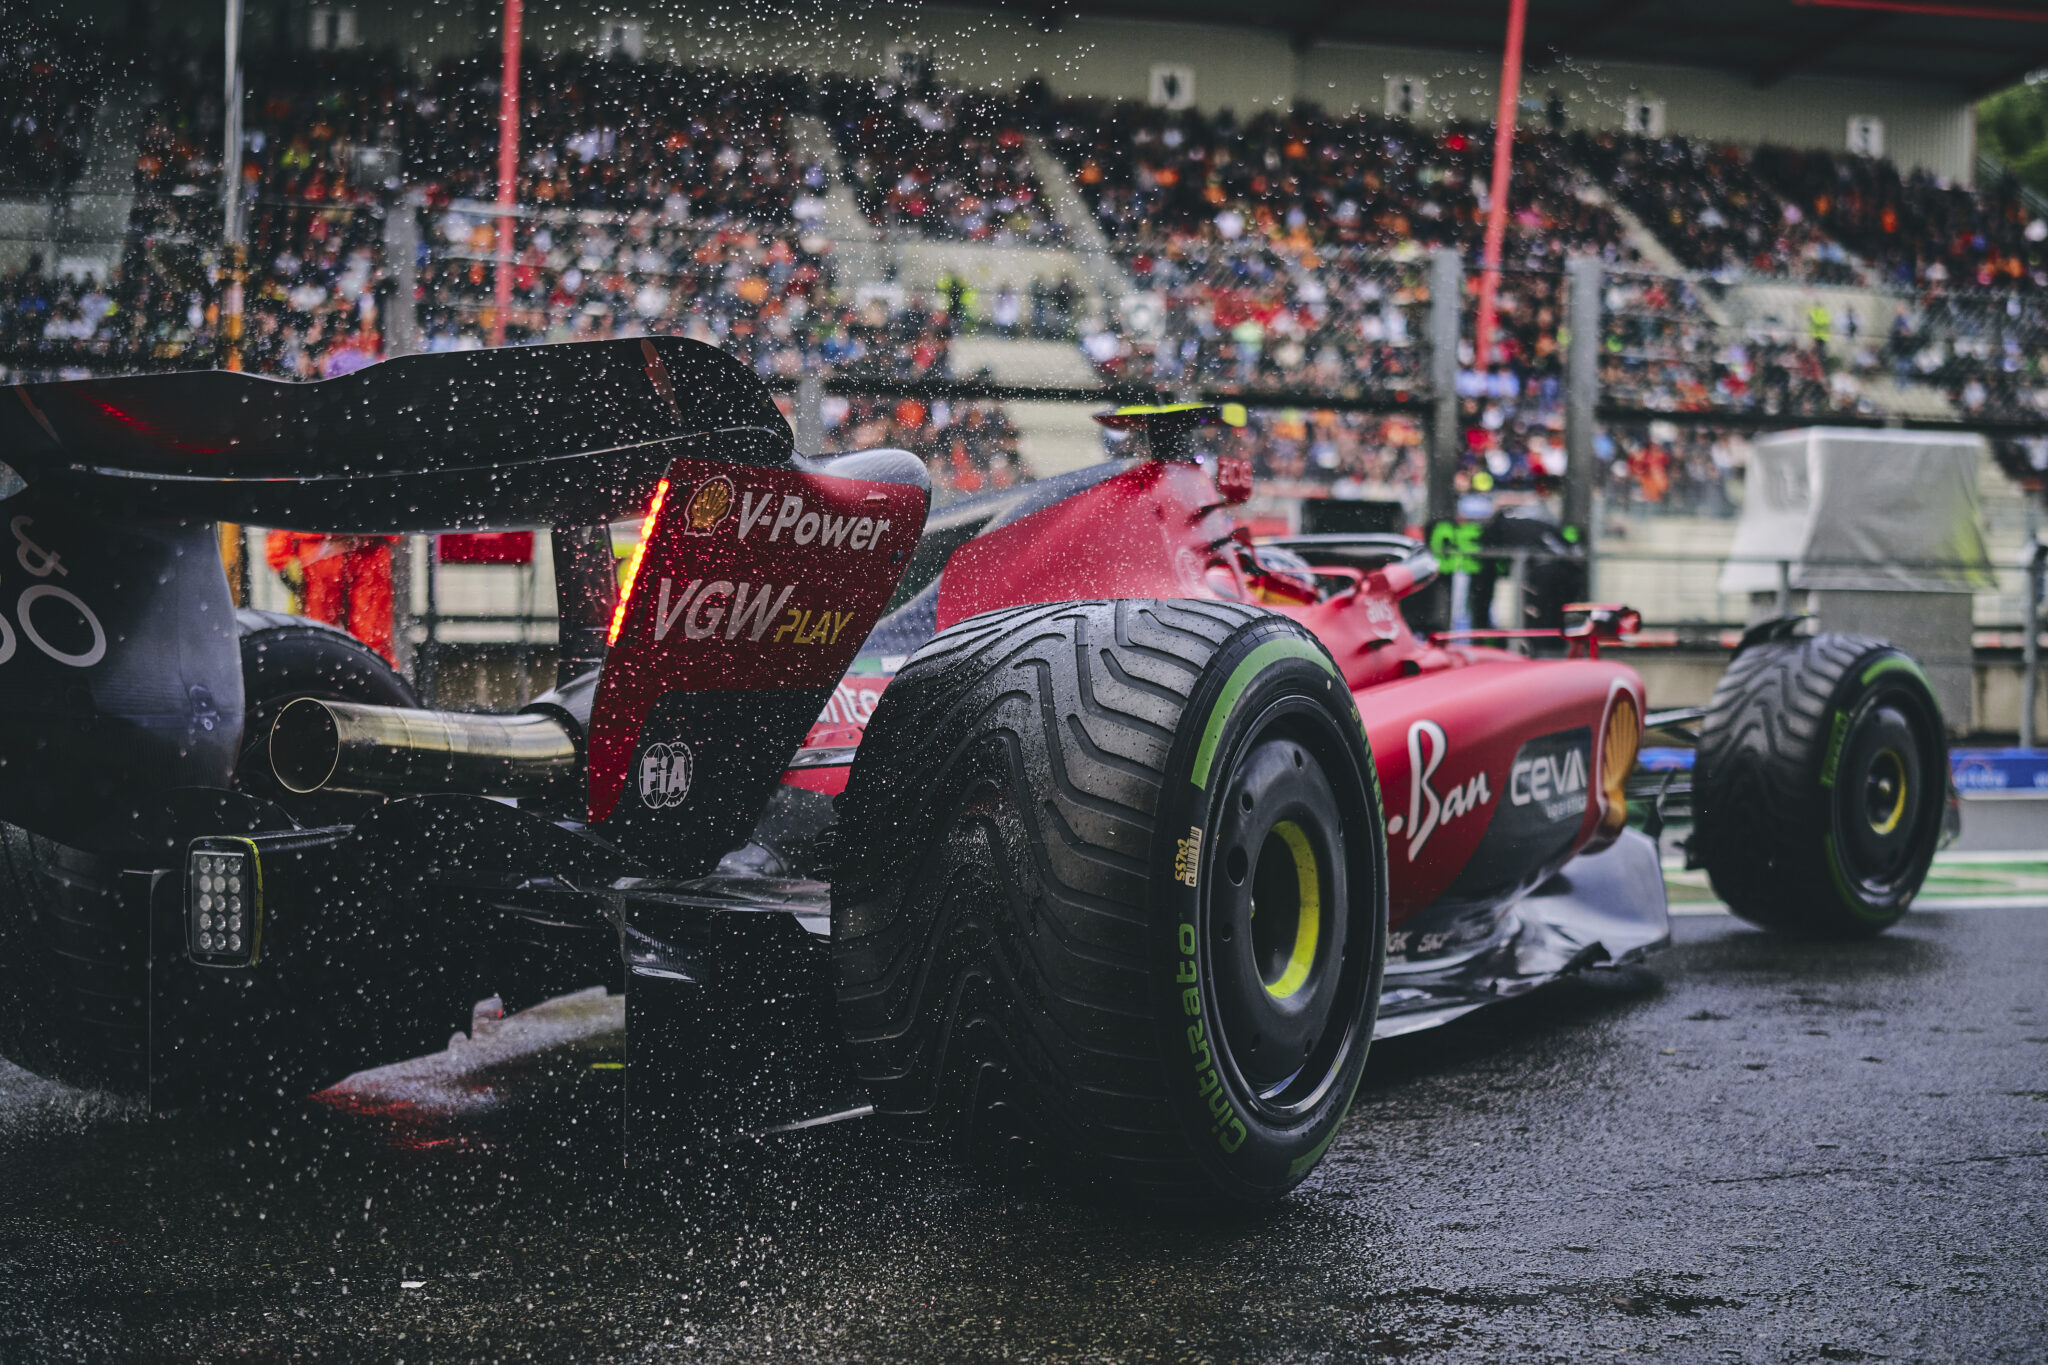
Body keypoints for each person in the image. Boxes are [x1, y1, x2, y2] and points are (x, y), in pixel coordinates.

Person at [264, 530, 398, 664]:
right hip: (322, 550)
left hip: (360, 547)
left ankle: (372, 679)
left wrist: (280, 553)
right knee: (318, 637)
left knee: (371, 636)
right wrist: (280, 553)